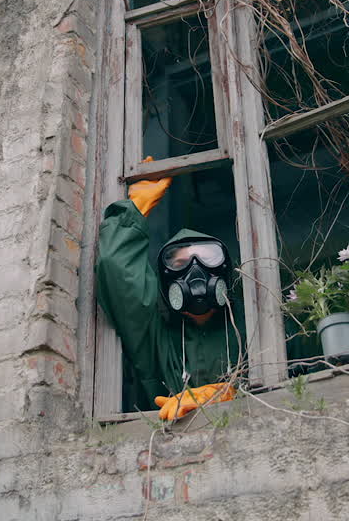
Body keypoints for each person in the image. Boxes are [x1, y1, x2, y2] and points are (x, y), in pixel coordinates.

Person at [95, 167, 242, 421]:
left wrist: (230, 394)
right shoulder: (157, 336)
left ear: (225, 271)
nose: (196, 271)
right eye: (180, 264)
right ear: (166, 279)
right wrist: (135, 208)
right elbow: (115, 269)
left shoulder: (249, 324)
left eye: (208, 259)